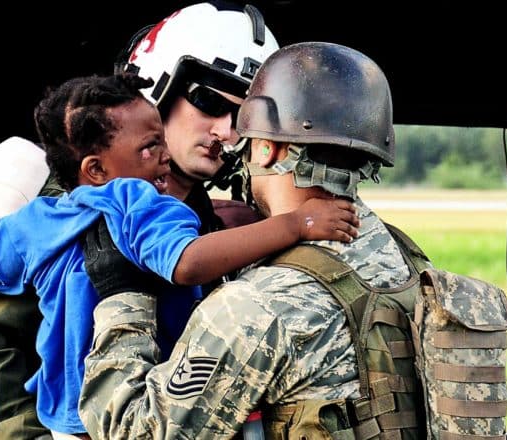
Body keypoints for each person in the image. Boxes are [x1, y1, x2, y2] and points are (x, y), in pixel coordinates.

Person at [0, 4, 282, 439]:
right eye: (209, 101)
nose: (226, 132)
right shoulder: (39, 188)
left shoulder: (222, 230)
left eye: (243, 118)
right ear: (158, 85)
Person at [0, 72, 360, 440]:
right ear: (97, 169)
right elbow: (188, 263)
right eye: (150, 147)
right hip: (129, 400)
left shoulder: (39, 218)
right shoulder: (138, 201)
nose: (164, 154)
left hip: (61, 412)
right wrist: (296, 224)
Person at [78, 42, 433, 439]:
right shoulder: (412, 264)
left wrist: (122, 299)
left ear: (266, 148)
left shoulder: (257, 307)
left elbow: (136, 432)